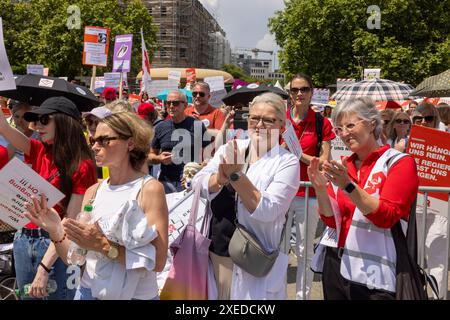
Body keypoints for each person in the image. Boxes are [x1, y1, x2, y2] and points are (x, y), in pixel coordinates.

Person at [24, 112, 168, 300]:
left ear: (130, 143)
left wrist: (102, 245)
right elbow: (75, 258)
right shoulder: (93, 191)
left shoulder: (149, 189)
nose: (95, 147)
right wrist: (55, 230)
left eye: (104, 140)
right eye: (93, 141)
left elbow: (158, 261)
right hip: (88, 292)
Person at [308, 97, 419, 300]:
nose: (344, 133)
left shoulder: (399, 163)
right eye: (339, 128)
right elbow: (331, 220)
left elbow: (386, 216)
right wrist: (321, 190)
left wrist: (348, 186)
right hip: (337, 266)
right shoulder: (343, 166)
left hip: (376, 275)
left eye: (350, 125)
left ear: (372, 124)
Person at [193, 92, 300, 300]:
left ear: (280, 125)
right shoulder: (232, 148)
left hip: (254, 255)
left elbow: (269, 210)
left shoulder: (287, 162)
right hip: (220, 251)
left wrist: (235, 175)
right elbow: (198, 182)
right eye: (254, 118)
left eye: (268, 120)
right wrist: (220, 178)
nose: (259, 124)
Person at [0, 96, 97, 300]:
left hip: (55, 247)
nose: (35, 125)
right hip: (24, 239)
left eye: (44, 120)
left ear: (64, 121)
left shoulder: (82, 165)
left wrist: (44, 268)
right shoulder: (40, 150)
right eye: (35, 119)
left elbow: (68, 225)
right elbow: (6, 129)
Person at [283, 73, 335, 300]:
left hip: (309, 193)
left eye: (304, 89)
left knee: (305, 250)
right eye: (295, 90)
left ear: (312, 92)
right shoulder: (281, 119)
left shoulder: (322, 122)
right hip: (282, 191)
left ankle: (302, 297)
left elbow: (324, 161)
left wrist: (297, 154)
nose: (299, 94)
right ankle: (276, 295)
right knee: (280, 249)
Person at [411, 102, 447, 299]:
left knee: (437, 258)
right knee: (413, 257)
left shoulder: (447, 141)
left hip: (440, 208)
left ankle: (437, 297)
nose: (423, 122)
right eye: (418, 119)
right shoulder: (405, 143)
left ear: (436, 120)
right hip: (413, 207)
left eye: (428, 118)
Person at [148, 90, 211, 193]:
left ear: (185, 105)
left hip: (191, 182)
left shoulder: (197, 125)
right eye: (168, 103)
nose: (171, 106)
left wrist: (201, 166)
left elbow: (208, 154)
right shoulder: (160, 127)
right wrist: (159, 158)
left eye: (176, 103)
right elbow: (149, 156)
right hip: (166, 182)